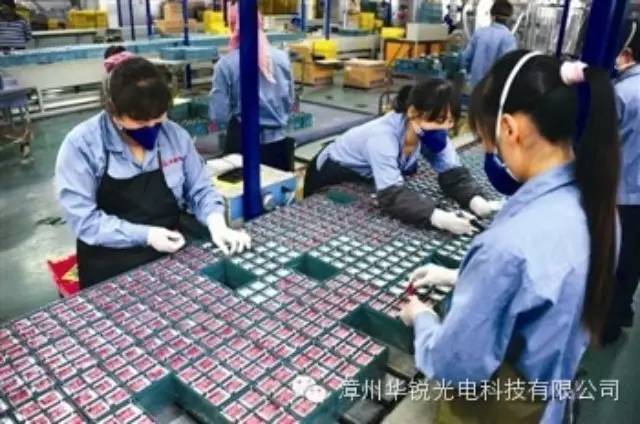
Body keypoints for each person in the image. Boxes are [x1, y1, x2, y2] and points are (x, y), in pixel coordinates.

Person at [399, 50, 619, 423]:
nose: (492, 149)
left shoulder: (508, 246)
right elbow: (543, 290)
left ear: (510, 128)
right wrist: (461, 278)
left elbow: (455, 367)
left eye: (490, 140)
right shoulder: (600, 210)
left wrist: (421, 318)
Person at [56, 54, 251, 289]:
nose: (151, 129)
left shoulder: (174, 136)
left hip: (167, 258)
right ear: (114, 112)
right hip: (108, 267)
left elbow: (200, 189)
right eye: (139, 123)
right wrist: (147, 235)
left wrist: (216, 222)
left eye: (157, 120)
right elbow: (84, 220)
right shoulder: (82, 145)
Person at [304, 79, 500, 236]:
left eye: (450, 122)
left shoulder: (432, 135)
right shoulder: (382, 137)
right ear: (412, 112)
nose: (443, 128)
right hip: (333, 171)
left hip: (367, 175)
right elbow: (391, 195)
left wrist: (474, 199)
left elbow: (453, 173)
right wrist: (438, 217)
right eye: (438, 120)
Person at [210, 4, 295, 172]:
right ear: (260, 23)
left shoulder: (226, 65)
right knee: (277, 185)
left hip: (243, 146)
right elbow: (290, 100)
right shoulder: (282, 58)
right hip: (278, 146)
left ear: (233, 26)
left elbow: (219, 114)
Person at [603, 19, 640, 344]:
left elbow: (598, 142)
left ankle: (606, 328)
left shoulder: (622, 93)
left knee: (613, 261)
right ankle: (624, 311)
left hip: (623, 193)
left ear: (626, 53)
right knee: (633, 259)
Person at [462, 0, 517, 87]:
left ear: (492, 16)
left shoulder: (479, 33)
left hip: (475, 86)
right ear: (509, 18)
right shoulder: (509, 38)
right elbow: (508, 67)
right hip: (493, 89)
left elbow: (465, 59)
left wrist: (470, 74)